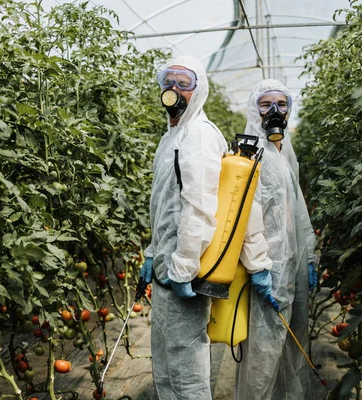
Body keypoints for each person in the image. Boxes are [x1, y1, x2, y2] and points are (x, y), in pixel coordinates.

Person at [139, 55, 228, 399]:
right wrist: (152, 253)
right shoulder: (173, 136)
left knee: (186, 369)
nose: (174, 90)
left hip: (183, 269)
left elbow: (200, 209)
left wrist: (183, 268)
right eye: (168, 82)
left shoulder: (198, 137)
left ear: (198, 90)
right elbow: (164, 206)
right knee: (166, 364)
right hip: (166, 265)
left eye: (184, 83)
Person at [235, 79, 319, 399]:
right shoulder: (250, 150)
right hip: (268, 266)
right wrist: (258, 266)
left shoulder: (284, 150)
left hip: (290, 263)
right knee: (262, 351)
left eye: (281, 105)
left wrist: (308, 255)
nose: (274, 111)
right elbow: (245, 211)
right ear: (254, 109)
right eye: (265, 104)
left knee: (290, 343)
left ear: (289, 110)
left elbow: (297, 208)